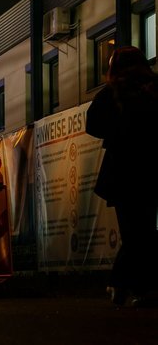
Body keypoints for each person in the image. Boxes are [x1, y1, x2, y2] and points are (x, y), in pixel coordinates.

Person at [86, 45, 158, 308]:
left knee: (134, 231)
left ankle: (129, 285)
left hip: (122, 172)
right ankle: (136, 286)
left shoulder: (111, 93)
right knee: (145, 230)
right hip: (151, 168)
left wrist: (119, 131)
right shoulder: (153, 87)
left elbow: (92, 125)